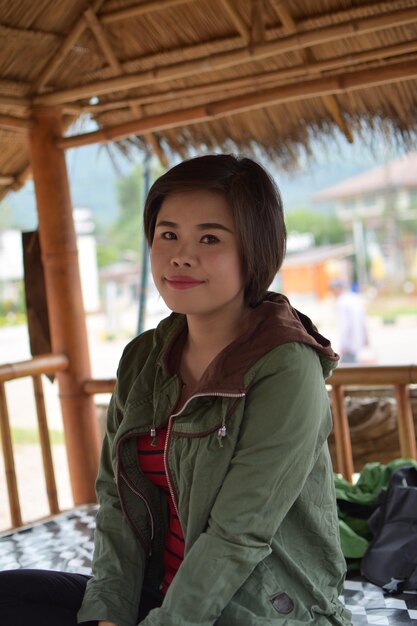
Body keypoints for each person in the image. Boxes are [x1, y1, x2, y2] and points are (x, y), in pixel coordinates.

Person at [0, 155, 352, 626]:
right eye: (168, 235)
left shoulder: (287, 366)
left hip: (261, 608)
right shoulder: (143, 357)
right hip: (160, 595)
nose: (181, 255)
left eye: (209, 238)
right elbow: (117, 505)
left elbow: (237, 535)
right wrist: (107, 616)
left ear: (255, 250)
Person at [333, 280, 369, 364]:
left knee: (348, 369)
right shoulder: (354, 298)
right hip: (357, 342)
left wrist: (343, 346)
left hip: (349, 345)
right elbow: (363, 320)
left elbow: (344, 326)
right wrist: (365, 339)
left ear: (337, 289)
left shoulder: (342, 302)